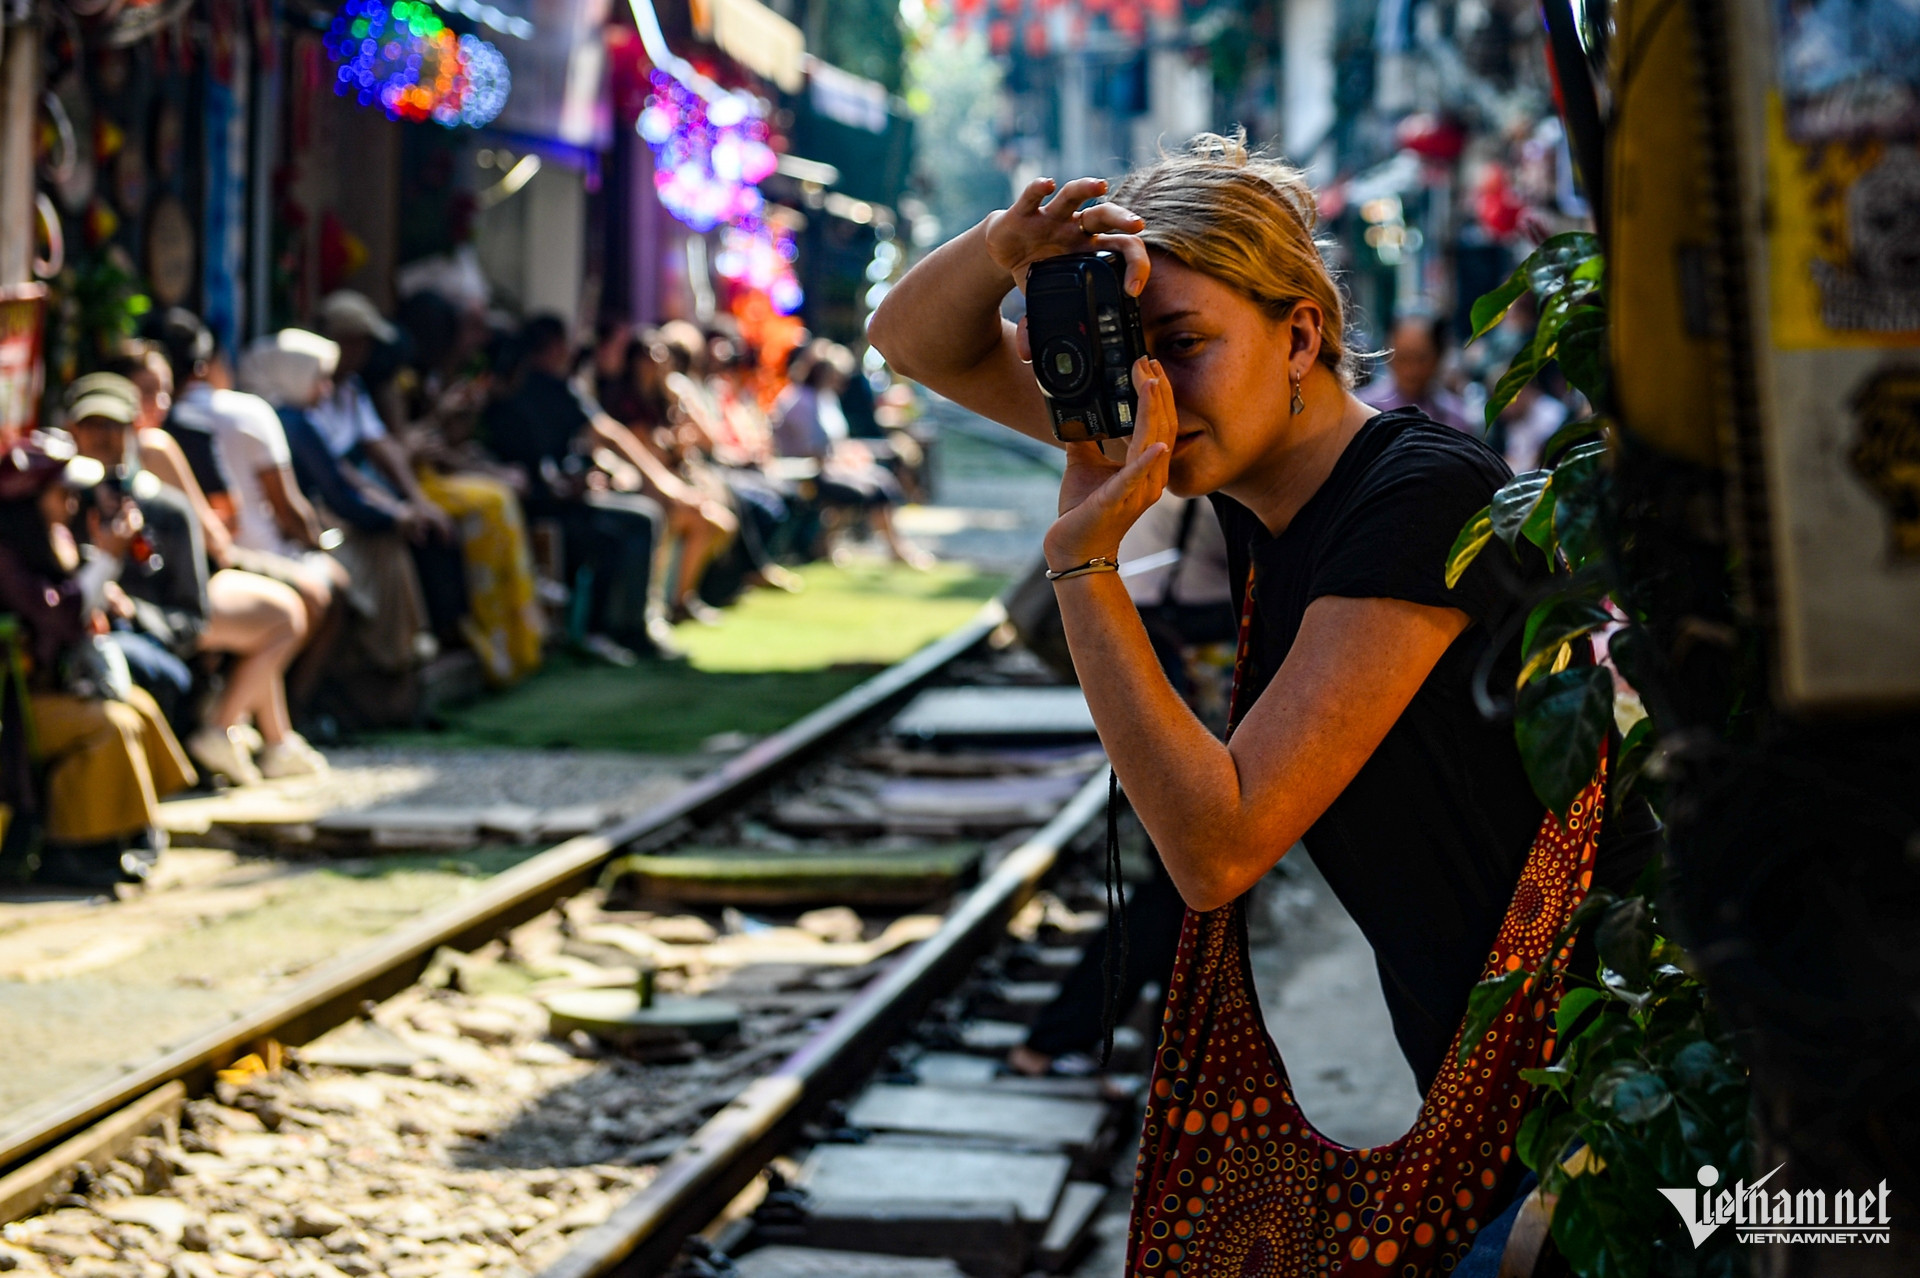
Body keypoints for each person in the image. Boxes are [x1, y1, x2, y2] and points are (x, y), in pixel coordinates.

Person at [869, 133, 1657, 1256]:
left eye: (1183, 345)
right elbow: (909, 339)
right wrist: (1009, 247)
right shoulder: (1238, 466)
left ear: (1299, 334)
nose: (1148, 390)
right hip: (1516, 1081)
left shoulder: (1417, 497)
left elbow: (1217, 846)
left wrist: (1085, 565)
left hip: (1617, 1076)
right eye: (1124, 353)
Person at [0, 441, 195, 886]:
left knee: (140, 708)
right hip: (17, 705)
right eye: (60, 493)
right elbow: (56, 616)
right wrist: (106, 559)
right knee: (111, 725)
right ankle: (74, 847)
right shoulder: (6, 554)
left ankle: (125, 833)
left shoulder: (60, 537)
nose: (71, 502)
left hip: (58, 688)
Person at [480, 315, 723, 660]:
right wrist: (659, 484)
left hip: (551, 497)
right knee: (636, 522)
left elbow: (580, 446)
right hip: (538, 504)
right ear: (553, 348)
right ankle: (617, 630)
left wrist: (592, 474)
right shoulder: (537, 386)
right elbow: (600, 435)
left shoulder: (544, 387)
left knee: (640, 517)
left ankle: (627, 626)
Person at [773, 341, 931, 568]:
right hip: (805, 472)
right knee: (871, 489)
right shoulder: (800, 401)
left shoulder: (824, 398)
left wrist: (853, 455)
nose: (841, 382)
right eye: (837, 376)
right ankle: (892, 548)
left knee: (880, 480)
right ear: (823, 373)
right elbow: (812, 450)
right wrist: (844, 461)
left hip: (828, 467)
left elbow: (834, 443)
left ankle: (884, 545)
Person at [1357, 309, 1477, 434]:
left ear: (1439, 356)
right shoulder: (1365, 410)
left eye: (1421, 359)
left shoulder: (1456, 418)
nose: (1411, 371)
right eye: (1403, 358)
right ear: (1387, 353)